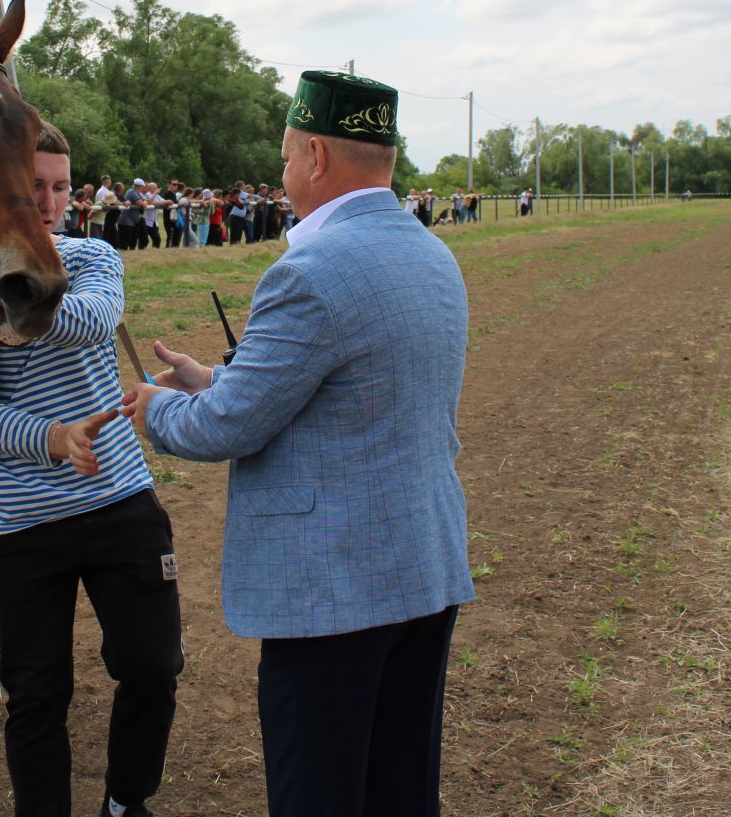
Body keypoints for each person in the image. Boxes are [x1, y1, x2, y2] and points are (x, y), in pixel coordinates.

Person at [123, 71, 472, 817]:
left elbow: (229, 425)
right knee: (399, 789)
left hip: (335, 594)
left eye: (285, 160)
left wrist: (153, 408)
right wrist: (214, 375)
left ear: (315, 154)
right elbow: (346, 386)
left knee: (319, 795)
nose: (282, 178)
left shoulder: (310, 270)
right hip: (421, 568)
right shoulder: (431, 253)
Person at [0, 121, 180, 817]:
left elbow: (96, 320)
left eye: (60, 185)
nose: (46, 200)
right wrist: (53, 437)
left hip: (119, 497)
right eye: (30, 184)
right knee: (38, 696)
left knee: (154, 667)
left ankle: (126, 802)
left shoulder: (92, 255)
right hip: (22, 522)